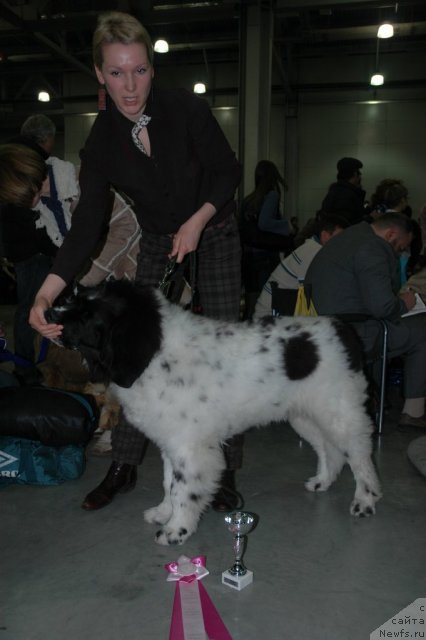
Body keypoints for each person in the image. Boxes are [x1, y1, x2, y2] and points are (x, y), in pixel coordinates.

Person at [28, 11, 243, 512]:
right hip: (157, 240)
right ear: (100, 74)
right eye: (118, 72)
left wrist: (198, 220)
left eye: (140, 70)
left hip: (216, 232)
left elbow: (227, 171)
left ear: (152, 66)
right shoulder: (100, 143)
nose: (131, 86)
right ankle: (124, 466)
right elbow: (87, 227)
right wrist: (45, 294)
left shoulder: (187, 109)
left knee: (223, 357)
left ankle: (222, 473)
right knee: (134, 357)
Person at [304, 212, 426, 429]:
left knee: (389, 330)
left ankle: (376, 400)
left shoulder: (349, 237)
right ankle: (413, 411)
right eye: (399, 248)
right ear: (390, 235)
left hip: (323, 328)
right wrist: (404, 303)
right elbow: (383, 307)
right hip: (354, 334)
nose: (398, 255)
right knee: (422, 328)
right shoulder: (373, 248)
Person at [253, 213, 348, 319]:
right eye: (340, 237)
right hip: (270, 316)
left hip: (274, 312)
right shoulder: (314, 254)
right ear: (325, 235)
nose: (344, 243)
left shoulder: (310, 248)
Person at [240, 160, 293, 318]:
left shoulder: (249, 200)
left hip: (249, 259)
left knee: (253, 302)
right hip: (266, 258)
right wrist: (287, 225)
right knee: (268, 302)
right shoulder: (272, 195)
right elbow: (265, 223)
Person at [320, 156, 366, 225]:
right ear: (355, 174)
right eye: (359, 175)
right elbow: (346, 225)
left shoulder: (335, 191)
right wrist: (369, 218)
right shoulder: (346, 196)